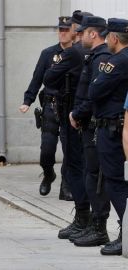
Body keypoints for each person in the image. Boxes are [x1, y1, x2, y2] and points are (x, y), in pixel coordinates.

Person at [43, 11, 89, 240]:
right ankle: (89, 220)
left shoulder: (73, 53)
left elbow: (50, 78)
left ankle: (84, 219)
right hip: (88, 117)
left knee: (75, 167)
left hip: (73, 115)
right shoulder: (101, 53)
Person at [19, 16, 73, 201]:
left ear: (74, 31)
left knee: (70, 149)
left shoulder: (78, 53)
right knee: (47, 150)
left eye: (66, 30)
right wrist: (28, 100)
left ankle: (66, 186)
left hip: (70, 107)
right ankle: (48, 173)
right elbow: (37, 78)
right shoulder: (48, 53)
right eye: (60, 29)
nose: (62, 33)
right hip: (50, 105)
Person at [68, 16, 111, 247]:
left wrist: (78, 113)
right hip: (88, 124)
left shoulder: (101, 58)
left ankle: (99, 227)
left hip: (93, 125)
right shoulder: (94, 57)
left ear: (93, 34)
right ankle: (92, 224)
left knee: (95, 178)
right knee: (89, 174)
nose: (79, 36)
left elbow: (95, 94)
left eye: (83, 33)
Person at [88, 18, 128, 256]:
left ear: (113, 38)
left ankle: (126, 233)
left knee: (114, 181)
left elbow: (94, 90)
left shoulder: (118, 61)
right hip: (117, 126)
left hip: (113, 129)